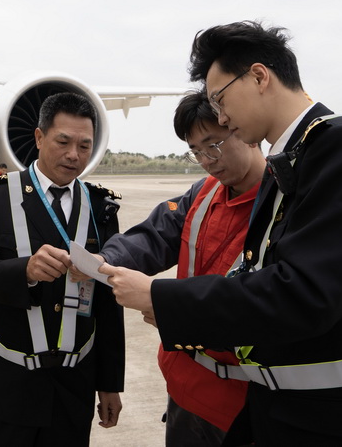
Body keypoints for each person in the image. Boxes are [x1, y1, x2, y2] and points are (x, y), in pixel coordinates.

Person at [100, 21, 342, 446]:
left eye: (220, 100)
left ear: (260, 76)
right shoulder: (294, 159)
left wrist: (159, 297)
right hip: (296, 412)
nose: (222, 115)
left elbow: (303, 293)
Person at [74, 90, 265, 446]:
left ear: (243, 128)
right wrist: (104, 261)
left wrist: (172, 306)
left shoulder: (282, 204)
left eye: (214, 145)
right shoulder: (204, 193)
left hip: (247, 403)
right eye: (196, 151)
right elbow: (152, 237)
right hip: (185, 390)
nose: (207, 160)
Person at [0, 92, 125, 446]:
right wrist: (25, 271)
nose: (73, 155)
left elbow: (108, 304)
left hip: (74, 386)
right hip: (9, 383)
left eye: (84, 145)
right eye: (63, 141)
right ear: (38, 137)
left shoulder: (101, 206)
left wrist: (110, 384)